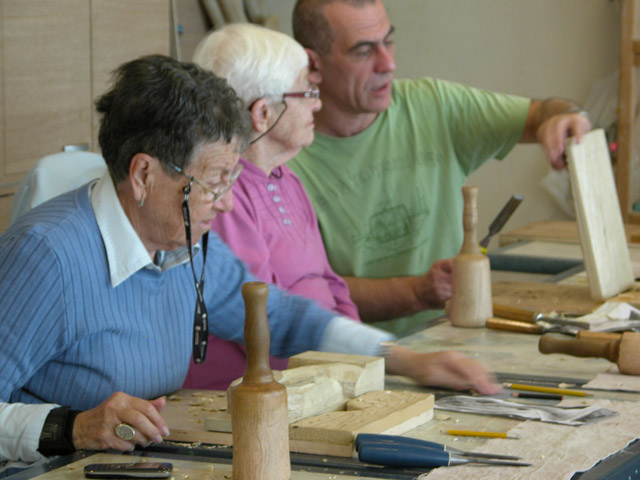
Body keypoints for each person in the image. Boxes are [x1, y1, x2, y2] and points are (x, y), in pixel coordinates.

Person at [0, 54, 499, 466]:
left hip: (137, 463)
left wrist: (402, 358)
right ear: (144, 175)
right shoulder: (49, 257)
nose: (227, 202)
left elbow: (276, 316)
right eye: (215, 181)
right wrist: (72, 426)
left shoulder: (182, 243)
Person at [289, 0, 593, 334]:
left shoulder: (433, 106)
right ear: (312, 64)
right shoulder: (284, 157)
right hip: (354, 363)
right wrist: (415, 292)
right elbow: (306, 293)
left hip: (453, 342)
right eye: (363, 51)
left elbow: (544, 112)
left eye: (388, 41)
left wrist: (570, 116)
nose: (388, 63)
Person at [183, 23, 360, 390]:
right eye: (307, 91)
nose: (318, 102)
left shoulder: (286, 177)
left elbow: (330, 281)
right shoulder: (222, 198)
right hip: (260, 389)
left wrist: (361, 355)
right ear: (262, 113)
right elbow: (263, 320)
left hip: (321, 371)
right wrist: (341, 363)